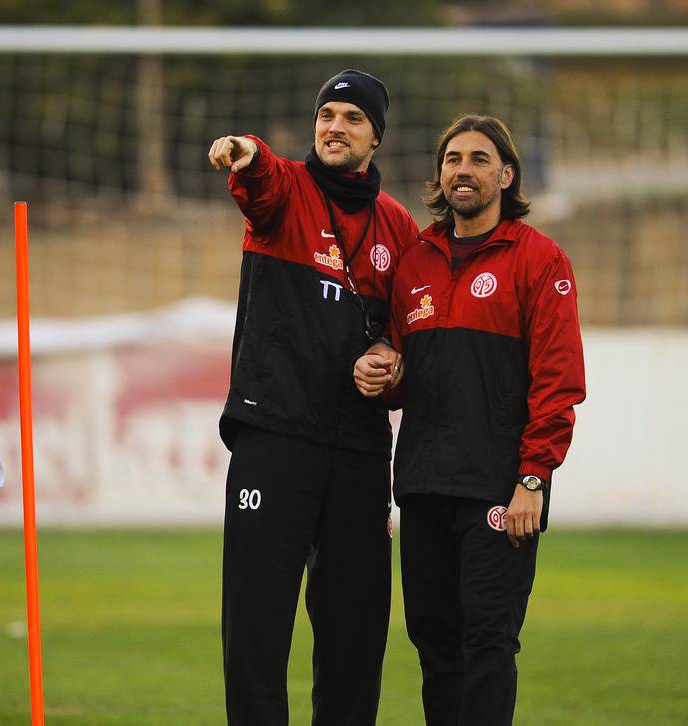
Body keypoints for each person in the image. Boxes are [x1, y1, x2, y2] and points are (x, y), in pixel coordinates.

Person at [354, 114, 586, 725]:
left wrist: (532, 479)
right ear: (439, 174)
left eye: (480, 159)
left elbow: (558, 382)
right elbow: (401, 370)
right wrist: (382, 371)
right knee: (435, 645)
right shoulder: (414, 263)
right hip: (425, 486)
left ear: (506, 175)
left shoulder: (540, 260)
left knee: (487, 643)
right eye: (453, 158)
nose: (464, 169)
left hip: (499, 489)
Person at [207, 69, 417, 726]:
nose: (335, 126)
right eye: (328, 114)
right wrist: (244, 153)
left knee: (356, 637)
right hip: (274, 439)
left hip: (358, 451)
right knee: (256, 630)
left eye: (353, 118)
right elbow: (259, 178)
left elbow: (406, 339)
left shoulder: (400, 228)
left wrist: (389, 363)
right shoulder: (284, 192)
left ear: (375, 137)